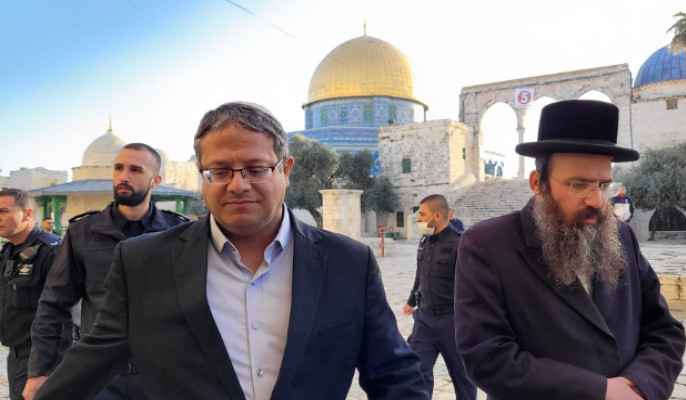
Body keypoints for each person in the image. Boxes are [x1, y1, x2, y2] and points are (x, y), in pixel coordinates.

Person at [32, 101, 427, 400]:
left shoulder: (347, 264)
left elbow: (393, 374)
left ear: (285, 169)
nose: (237, 185)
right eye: (219, 171)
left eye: (255, 169)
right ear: (202, 176)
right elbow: (93, 360)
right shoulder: (143, 262)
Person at [454, 100, 686, 400]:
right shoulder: (487, 245)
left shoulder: (621, 235)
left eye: (603, 185)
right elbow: (488, 357)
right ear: (538, 183)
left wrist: (640, 386)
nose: (596, 201)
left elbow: (664, 330)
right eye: (579, 185)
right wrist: (601, 391)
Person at [25, 143, 189, 400]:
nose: (123, 176)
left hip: (161, 375)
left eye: (135, 169)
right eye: (118, 168)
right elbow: (53, 304)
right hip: (101, 375)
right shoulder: (83, 233)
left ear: (155, 180)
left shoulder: (177, 233)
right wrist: (38, 371)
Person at [403, 195, 476, 400]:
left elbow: (473, 286)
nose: (419, 219)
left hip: (451, 322)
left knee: (463, 377)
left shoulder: (460, 244)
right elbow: (420, 274)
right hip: (424, 320)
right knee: (417, 373)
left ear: (437, 215)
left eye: (423, 214)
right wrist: (411, 300)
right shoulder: (425, 240)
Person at [0, 189, 66, 399]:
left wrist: (41, 370)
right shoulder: (9, 252)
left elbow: (63, 315)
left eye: (3, 211)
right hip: (17, 354)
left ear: (27, 214)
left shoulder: (52, 251)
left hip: (43, 360)